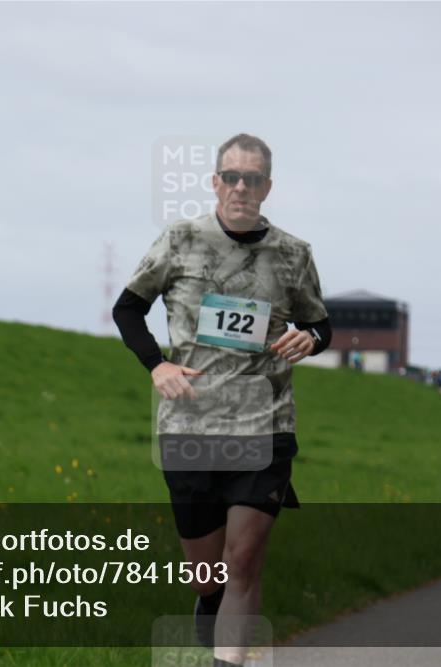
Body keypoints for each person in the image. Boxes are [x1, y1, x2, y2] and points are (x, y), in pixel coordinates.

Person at [112, 134, 331, 667]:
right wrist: (157, 365)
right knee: (208, 572)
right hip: (191, 426)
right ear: (214, 182)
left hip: (265, 424)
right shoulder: (180, 241)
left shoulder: (293, 254)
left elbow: (319, 323)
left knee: (244, 562)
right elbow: (127, 309)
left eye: (251, 178)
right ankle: (209, 602)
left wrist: (313, 339)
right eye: (230, 176)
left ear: (267, 187)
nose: (240, 187)